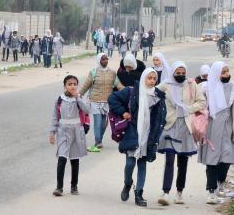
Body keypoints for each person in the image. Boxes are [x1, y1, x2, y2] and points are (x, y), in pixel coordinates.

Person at [108, 67, 166, 207]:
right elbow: (112, 98)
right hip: (133, 131)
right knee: (130, 163)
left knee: (142, 164)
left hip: (148, 134)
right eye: (149, 78)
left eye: (154, 79)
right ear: (143, 78)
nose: (152, 81)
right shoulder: (132, 91)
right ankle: (127, 184)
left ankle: (139, 193)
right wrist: (123, 113)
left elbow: (160, 117)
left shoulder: (157, 96)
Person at [157, 61, 206, 206]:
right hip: (170, 126)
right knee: (170, 159)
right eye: (178, 73)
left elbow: (201, 102)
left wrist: (188, 109)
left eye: (183, 73)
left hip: (185, 126)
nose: (181, 75)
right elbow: (152, 95)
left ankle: (179, 192)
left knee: (183, 162)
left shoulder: (191, 84)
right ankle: (165, 192)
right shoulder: (165, 85)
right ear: (172, 72)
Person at [198, 61, 234, 204]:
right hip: (211, 129)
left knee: (226, 159)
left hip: (227, 128)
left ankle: (220, 183)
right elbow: (197, 107)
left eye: (227, 71)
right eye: (223, 72)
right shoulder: (206, 88)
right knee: (212, 161)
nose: (226, 75)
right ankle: (211, 191)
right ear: (216, 74)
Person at [49, 75, 89, 196]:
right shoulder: (59, 99)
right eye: (69, 84)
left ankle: (74, 186)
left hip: (76, 131)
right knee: (62, 159)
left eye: (75, 84)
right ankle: (59, 187)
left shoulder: (80, 98)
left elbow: (87, 110)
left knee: (75, 160)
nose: (72, 86)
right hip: (63, 132)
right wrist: (52, 132)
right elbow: (55, 117)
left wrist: (78, 98)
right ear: (65, 86)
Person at [79, 53, 123, 151]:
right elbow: (86, 85)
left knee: (104, 124)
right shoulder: (93, 72)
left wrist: (128, 92)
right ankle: (98, 141)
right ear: (99, 60)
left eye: (106, 59)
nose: (105, 61)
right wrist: (79, 95)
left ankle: (99, 140)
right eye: (103, 59)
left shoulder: (112, 73)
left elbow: (118, 85)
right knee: (98, 122)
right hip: (95, 101)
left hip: (107, 102)